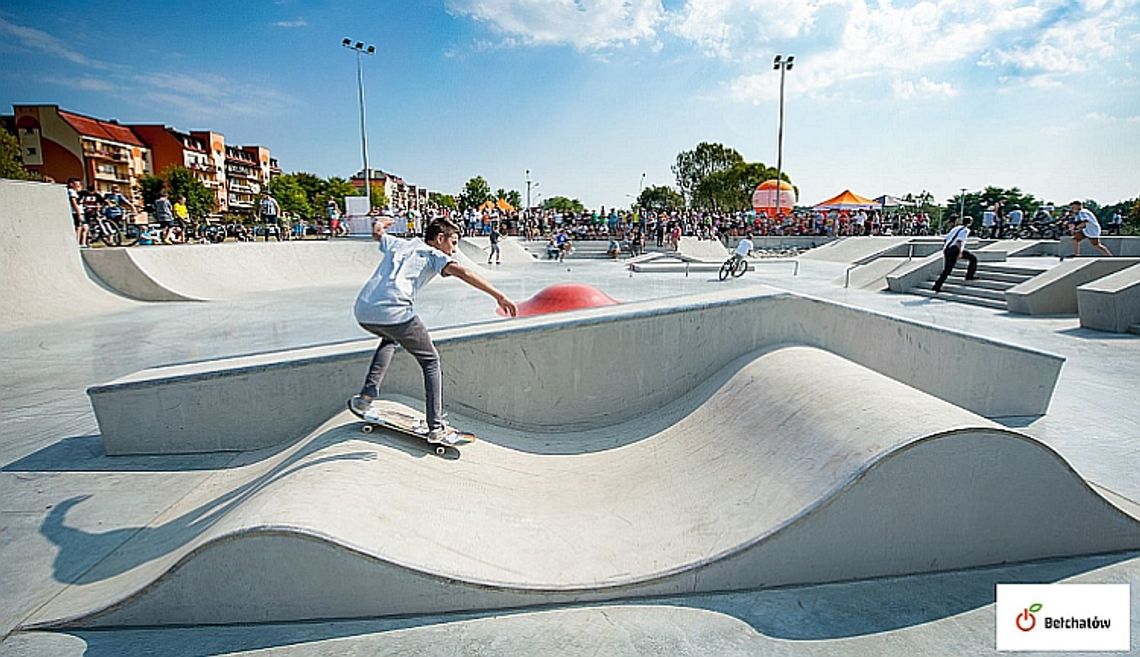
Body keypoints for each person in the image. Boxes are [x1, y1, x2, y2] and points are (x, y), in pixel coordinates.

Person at [348, 217, 517, 445]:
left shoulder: (400, 243)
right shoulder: (434, 254)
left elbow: (377, 233)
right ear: (439, 239)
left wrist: (380, 222)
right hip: (395, 311)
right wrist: (499, 296)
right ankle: (435, 427)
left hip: (363, 310)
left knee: (389, 339)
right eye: (453, 243)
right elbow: (463, 273)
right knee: (431, 362)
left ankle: (366, 397)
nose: (454, 250)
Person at [933, 216, 978, 293]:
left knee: (947, 269)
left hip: (947, 249)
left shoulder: (956, 228)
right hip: (955, 249)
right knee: (973, 258)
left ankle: (937, 286)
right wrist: (960, 253)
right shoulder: (965, 230)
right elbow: (959, 241)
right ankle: (969, 275)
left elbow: (946, 238)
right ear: (969, 223)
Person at [67, 178, 88, 246]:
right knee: (78, 227)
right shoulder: (71, 192)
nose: (79, 186)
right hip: (76, 212)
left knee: (85, 227)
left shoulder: (77, 193)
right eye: (77, 185)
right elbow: (74, 203)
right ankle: (77, 242)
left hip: (81, 211)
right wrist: (78, 213)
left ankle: (83, 242)